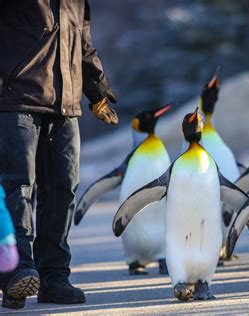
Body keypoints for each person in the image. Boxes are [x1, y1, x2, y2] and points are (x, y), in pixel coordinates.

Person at [0, 1, 118, 309]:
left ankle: (54, 278)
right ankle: (16, 271)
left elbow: (84, 42)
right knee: (19, 187)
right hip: (16, 101)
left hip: (66, 106)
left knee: (63, 190)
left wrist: (97, 91)